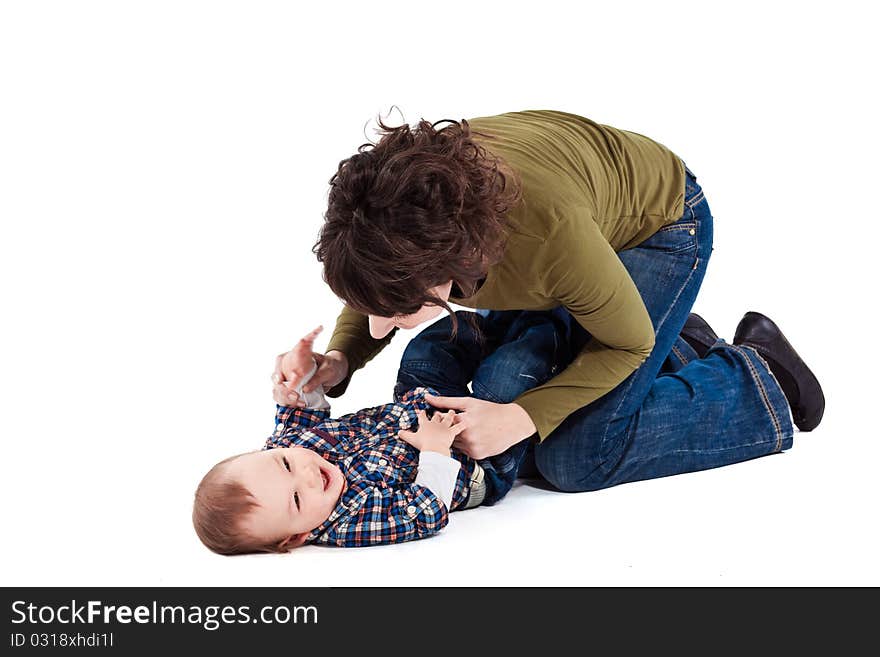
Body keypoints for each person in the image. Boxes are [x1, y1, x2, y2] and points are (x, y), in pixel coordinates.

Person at [288, 108, 824, 494]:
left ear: (449, 263)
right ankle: (679, 338)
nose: (380, 326)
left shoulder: (545, 240)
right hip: (574, 256)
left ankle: (757, 378)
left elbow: (628, 343)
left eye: (398, 310)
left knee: (576, 456)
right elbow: (381, 272)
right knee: (515, 371)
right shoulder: (399, 217)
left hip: (659, 230)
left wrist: (519, 419)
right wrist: (340, 360)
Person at [193, 310, 568, 555]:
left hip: (418, 403)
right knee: (505, 377)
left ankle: (507, 314)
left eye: (286, 464)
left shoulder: (289, 449)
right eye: (295, 499)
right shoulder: (349, 520)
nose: (305, 475)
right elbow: (424, 514)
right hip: (474, 455)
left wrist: (302, 378)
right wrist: (436, 451)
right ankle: (555, 328)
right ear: (296, 537)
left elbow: (298, 415)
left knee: (428, 349)